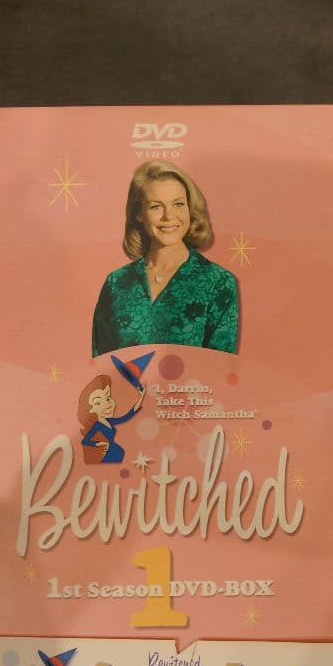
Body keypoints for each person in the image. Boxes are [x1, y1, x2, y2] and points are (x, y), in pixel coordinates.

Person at [92, 161, 238, 356]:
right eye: (156, 206)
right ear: (139, 214)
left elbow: (220, 367)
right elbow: (101, 365)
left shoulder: (218, 282)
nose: (169, 216)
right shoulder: (116, 283)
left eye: (178, 204)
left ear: (190, 209)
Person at [78, 373, 144, 463]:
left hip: (115, 453)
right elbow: (85, 441)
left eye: (108, 398)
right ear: (91, 409)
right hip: (106, 456)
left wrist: (141, 396)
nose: (107, 404)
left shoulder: (109, 421)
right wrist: (98, 444)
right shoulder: (96, 426)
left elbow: (126, 417)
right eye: (98, 403)